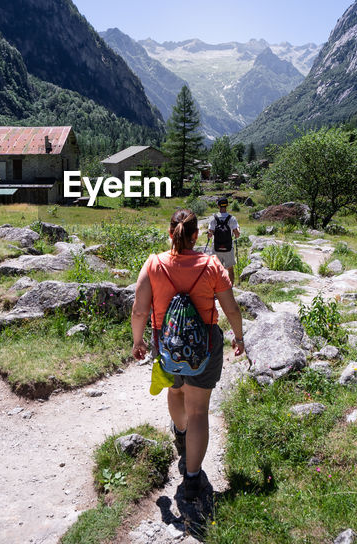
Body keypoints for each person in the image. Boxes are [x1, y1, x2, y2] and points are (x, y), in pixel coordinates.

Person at [131, 208, 245, 527]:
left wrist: (138, 342)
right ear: (197, 235)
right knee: (199, 411)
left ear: (171, 233)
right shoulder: (211, 265)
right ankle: (192, 479)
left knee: (175, 391)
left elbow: (139, 311)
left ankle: (180, 434)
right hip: (204, 347)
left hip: (166, 345)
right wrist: (239, 337)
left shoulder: (154, 264)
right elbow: (231, 307)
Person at [204, 197, 240, 285]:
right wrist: (238, 230)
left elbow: (210, 234)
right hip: (228, 248)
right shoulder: (232, 218)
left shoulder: (213, 218)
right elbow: (237, 234)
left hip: (216, 248)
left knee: (215, 269)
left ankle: (216, 287)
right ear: (227, 205)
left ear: (218, 206)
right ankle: (230, 287)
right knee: (230, 269)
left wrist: (209, 234)